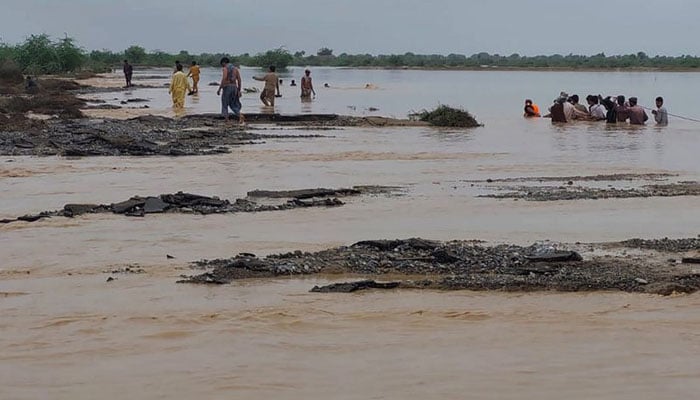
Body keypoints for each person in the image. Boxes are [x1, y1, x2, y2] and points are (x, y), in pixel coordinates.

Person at [216, 57, 244, 123]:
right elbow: (239, 80)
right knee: (233, 104)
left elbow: (224, 78)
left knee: (224, 103)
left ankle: (226, 119)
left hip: (227, 87)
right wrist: (239, 90)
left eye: (222, 64)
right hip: (234, 87)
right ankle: (240, 115)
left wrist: (220, 88)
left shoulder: (225, 68)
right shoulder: (235, 69)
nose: (222, 66)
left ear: (224, 63)